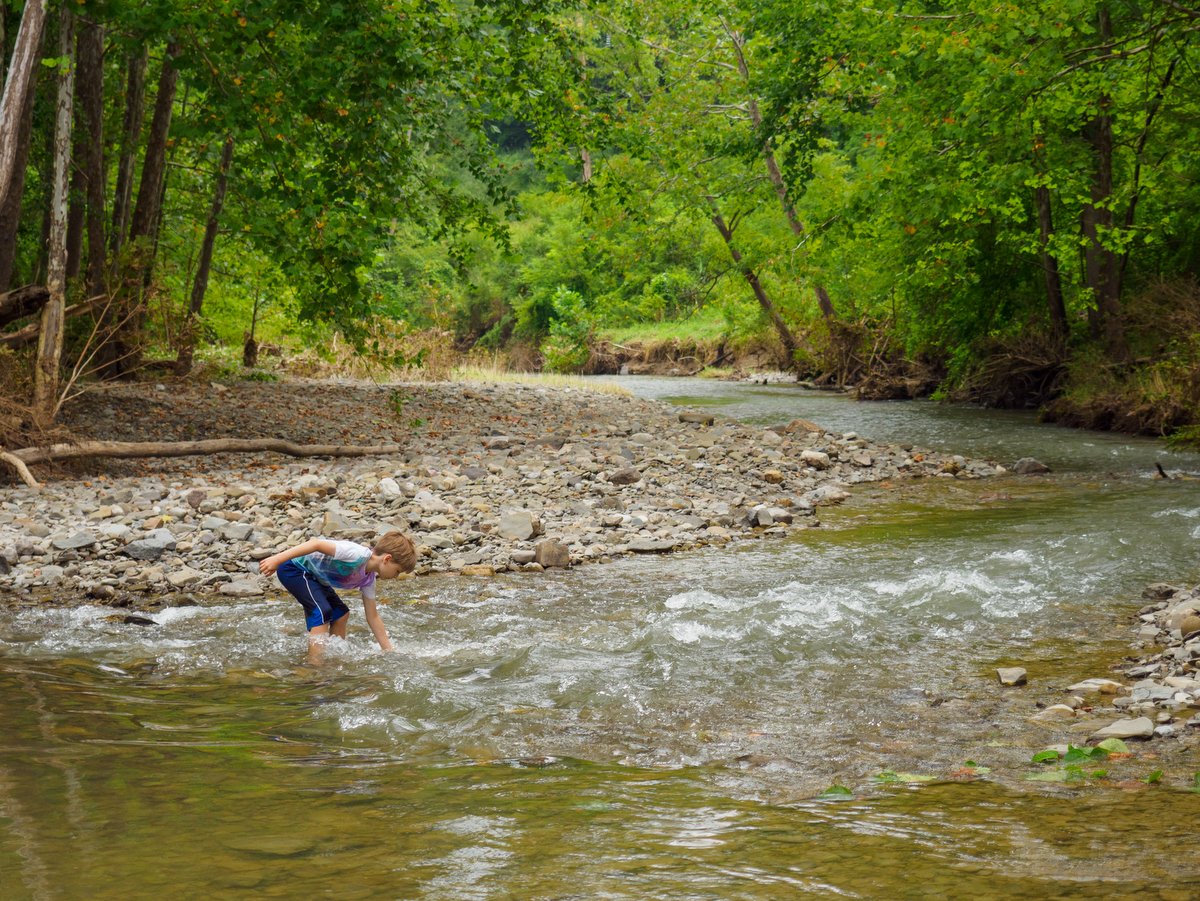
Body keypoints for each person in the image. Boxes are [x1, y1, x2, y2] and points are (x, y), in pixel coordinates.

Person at [258, 531, 416, 663]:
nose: (396, 576)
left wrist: (388, 651)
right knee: (322, 612)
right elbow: (315, 544)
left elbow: (373, 617)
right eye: (397, 571)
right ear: (387, 559)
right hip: (294, 569)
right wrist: (278, 559)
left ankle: (333, 659)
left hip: (315, 577)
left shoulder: (368, 580)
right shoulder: (356, 554)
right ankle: (314, 666)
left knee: (341, 614)